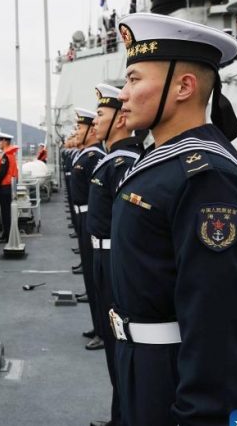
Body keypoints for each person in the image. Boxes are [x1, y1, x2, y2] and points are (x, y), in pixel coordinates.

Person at [111, 13, 237, 425]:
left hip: (170, 377)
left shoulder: (207, 177)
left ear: (183, 87)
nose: (123, 95)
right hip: (141, 363)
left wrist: (202, 415)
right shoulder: (162, 163)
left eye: (133, 80)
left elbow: (217, 320)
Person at [86, 83, 142, 426]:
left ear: (121, 119)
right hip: (101, 255)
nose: (94, 123)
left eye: (101, 116)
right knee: (113, 343)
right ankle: (119, 415)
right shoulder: (113, 159)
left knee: (119, 342)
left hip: (114, 259)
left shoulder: (125, 162)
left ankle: (124, 417)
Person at [68, 108, 106, 351]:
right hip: (83, 217)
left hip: (90, 218)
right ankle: (97, 325)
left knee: (97, 280)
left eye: (80, 127)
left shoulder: (95, 157)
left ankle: (103, 331)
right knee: (91, 278)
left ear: (92, 130)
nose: (77, 132)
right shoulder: (87, 155)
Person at [0, 132, 19, 243]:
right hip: (9, 187)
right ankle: (7, 234)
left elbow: (2, 172)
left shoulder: (6, 156)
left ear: (4, 142)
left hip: (5, 188)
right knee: (8, 212)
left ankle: (7, 236)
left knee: (6, 213)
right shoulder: (10, 154)